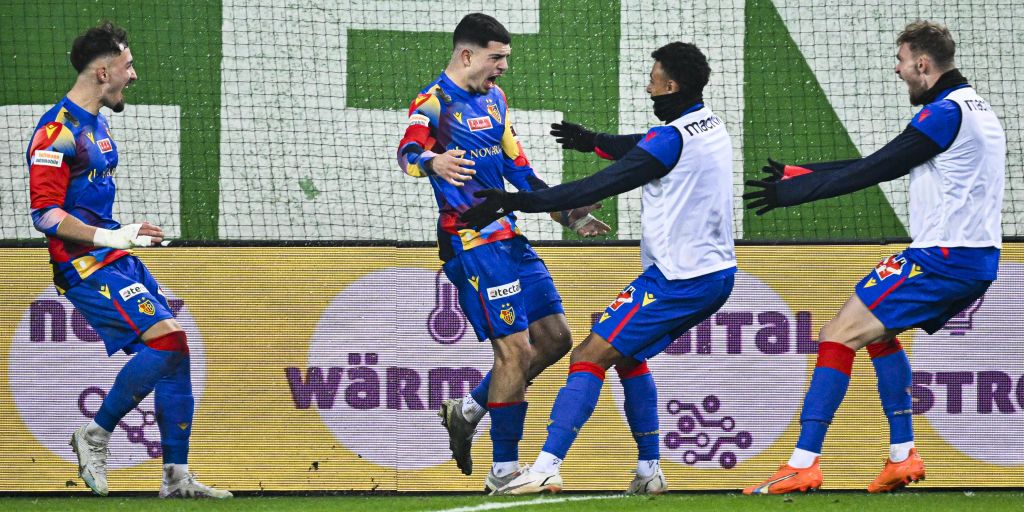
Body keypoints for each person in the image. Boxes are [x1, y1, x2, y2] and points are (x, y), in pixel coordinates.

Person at [460, 41, 737, 495]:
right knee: (628, 356)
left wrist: (516, 201)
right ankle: (649, 472)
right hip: (713, 274)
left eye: (653, 77)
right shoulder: (707, 126)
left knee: (588, 355)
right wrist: (592, 141)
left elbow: (602, 183)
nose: (648, 85)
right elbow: (640, 146)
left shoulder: (670, 139)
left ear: (670, 84)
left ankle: (548, 465)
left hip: (678, 279)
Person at [741, 20, 1005, 494]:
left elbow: (877, 168)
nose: (897, 69)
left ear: (923, 64)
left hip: (941, 257)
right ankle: (902, 456)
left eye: (901, 60)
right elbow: (888, 160)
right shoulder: (975, 108)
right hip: (972, 259)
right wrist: (803, 172)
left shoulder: (942, 113)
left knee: (835, 334)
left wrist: (793, 194)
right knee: (878, 335)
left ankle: (804, 462)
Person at [395, 13, 610, 492]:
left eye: (506, 58)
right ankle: (504, 472)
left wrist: (567, 212)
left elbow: (520, 169)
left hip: (508, 237)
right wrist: (433, 160)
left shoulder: (496, 100)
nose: (504, 67)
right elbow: (407, 153)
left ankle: (469, 409)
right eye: (497, 57)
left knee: (555, 340)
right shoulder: (433, 102)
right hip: (470, 243)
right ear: (467, 54)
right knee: (514, 352)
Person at [27, 22, 231, 499]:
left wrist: (120, 236)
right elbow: (45, 214)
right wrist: (112, 234)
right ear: (103, 72)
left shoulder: (98, 123)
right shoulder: (56, 132)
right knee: (166, 343)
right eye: (128, 64)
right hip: (83, 265)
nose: (133, 75)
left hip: (112, 256)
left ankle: (176, 477)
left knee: (176, 355)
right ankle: (95, 434)